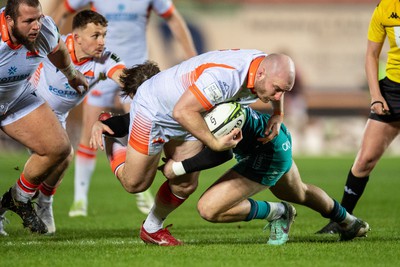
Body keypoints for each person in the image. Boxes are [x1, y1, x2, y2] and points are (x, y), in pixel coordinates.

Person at [89, 50, 295, 246]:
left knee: (185, 185)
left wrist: (278, 113)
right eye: (276, 90)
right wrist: (214, 143)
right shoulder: (226, 78)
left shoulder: (264, 69)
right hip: (155, 111)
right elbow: (182, 112)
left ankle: (151, 229)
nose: (278, 96)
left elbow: (278, 82)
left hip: (191, 113)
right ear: (260, 74)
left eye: (282, 91)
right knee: (135, 184)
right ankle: (110, 134)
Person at [93, 105, 371, 245]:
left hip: (267, 154)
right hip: (271, 143)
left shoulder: (216, 111)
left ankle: (278, 212)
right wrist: (110, 124)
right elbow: (154, 116)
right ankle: (349, 221)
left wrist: (176, 168)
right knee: (299, 192)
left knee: (209, 209)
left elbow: (220, 152)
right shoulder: (198, 101)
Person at [49, 0, 198, 217]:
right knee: (89, 131)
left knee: (139, 130)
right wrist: (48, 42)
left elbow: (173, 18)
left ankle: (140, 190)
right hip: (98, 64)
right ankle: (80, 199)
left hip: (133, 70)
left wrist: (190, 55)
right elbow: (62, 10)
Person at [0, 9, 128, 236]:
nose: (102, 42)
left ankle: (39, 203)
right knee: (64, 153)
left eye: (104, 35)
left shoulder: (104, 58)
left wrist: (139, 86)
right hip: (31, 102)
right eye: (95, 35)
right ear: (77, 37)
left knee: (63, 155)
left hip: (42, 112)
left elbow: (122, 74)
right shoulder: (47, 40)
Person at [0, 0, 88, 235]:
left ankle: (17, 198)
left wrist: (71, 74)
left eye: (38, 18)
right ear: (9, 21)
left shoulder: (45, 28)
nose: (36, 25)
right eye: (28, 21)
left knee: (58, 148)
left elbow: (58, 49)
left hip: (17, 95)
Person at [316, 0, 400, 234]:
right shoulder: (385, 7)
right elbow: (372, 55)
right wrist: (376, 95)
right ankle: (342, 221)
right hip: (392, 91)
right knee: (364, 161)